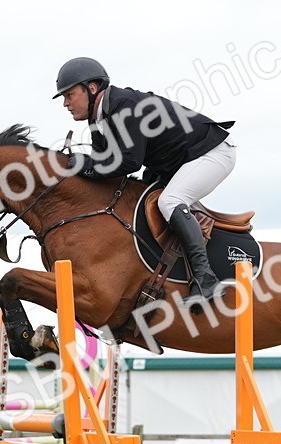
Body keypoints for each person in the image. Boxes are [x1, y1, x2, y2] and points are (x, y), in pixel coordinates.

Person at [54, 57, 237, 307]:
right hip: (177, 162)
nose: (65, 103)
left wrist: (83, 164)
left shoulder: (124, 106)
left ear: (92, 88)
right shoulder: (97, 119)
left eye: (69, 95)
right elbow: (103, 164)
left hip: (211, 153)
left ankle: (206, 279)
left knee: (170, 200)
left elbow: (129, 163)